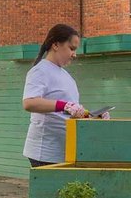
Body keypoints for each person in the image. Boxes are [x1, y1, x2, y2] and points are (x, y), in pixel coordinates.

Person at [22, 24, 109, 167]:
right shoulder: (40, 71)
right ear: (55, 45)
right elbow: (29, 103)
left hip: (64, 151)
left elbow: (70, 111)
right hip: (45, 152)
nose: (74, 54)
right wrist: (65, 106)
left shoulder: (65, 75)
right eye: (71, 48)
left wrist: (94, 116)